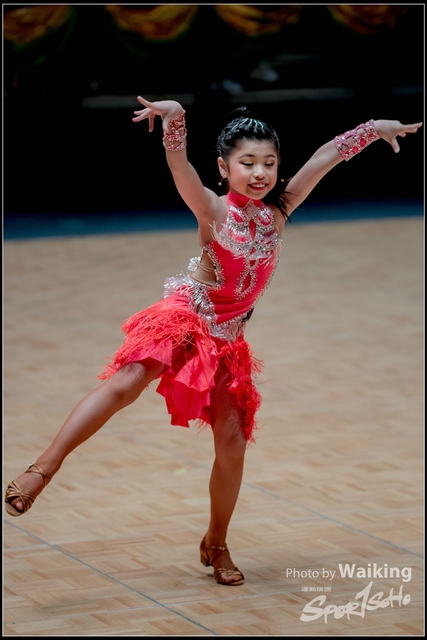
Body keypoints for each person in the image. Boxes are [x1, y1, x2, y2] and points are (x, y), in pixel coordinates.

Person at [4, 97, 422, 587]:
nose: (260, 173)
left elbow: (326, 155)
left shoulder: (280, 209)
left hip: (226, 338)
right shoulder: (213, 208)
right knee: (129, 380)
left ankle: (216, 541)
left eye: (269, 163)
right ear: (224, 168)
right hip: (186, 317)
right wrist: (175, 119)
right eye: (248, 163)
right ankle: (43, 469)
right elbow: (178, 166)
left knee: (232, 442)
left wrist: (375, 128)